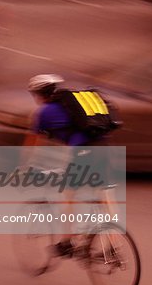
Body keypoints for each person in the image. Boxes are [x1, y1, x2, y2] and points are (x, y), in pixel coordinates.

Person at [23, 74, 114, 257]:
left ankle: (67, 242)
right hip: (103, 147)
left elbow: (33, 144)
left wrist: (25, 167)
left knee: (68, 194)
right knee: (104, 195)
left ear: (38, 94)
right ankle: (114, 246)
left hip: (83, 151)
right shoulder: (73, 106)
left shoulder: (43, 113)